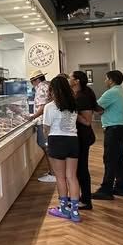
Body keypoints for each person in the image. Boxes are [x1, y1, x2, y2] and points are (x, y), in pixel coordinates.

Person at [42, 75, 81, 222]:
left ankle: (64, 209)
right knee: (72, 176)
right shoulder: (73, 105)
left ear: (53, 90)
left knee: (60, 177)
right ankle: (75, 212)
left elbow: (46, 129)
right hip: (73, 140)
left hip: (56, 140)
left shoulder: (49, 106)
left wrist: (47, 142)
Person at [93, 70, 123, 200]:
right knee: (119, 159)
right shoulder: (119, 91)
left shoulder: (111, 92)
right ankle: (120, 187)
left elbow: (97, 107)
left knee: (109, 159)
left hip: (113, 129)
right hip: (120, 128)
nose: (104, 81)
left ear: (111, 80)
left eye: (106, 78)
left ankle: (106, 189)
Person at [70, 70, 97, 210]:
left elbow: (87, 121)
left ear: (77, 81)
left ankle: (86, 200)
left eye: (71, 77)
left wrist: (72, 113)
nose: (69, 79)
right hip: (79, 136)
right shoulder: (79, 95)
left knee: (82, 169)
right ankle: (82, 197)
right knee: (79, 169)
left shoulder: (83, 97)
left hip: (83, 136)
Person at [29, 69, 56, 183]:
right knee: (48, 147)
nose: (32, 84)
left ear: (36, 80)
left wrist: (32, 116)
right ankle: (53, 171)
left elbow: (42, 107)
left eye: (32, 81)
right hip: (50, 120)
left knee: (46, 146)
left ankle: (53, 173)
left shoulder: (41, 88)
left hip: (43, 121)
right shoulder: (48, 85)